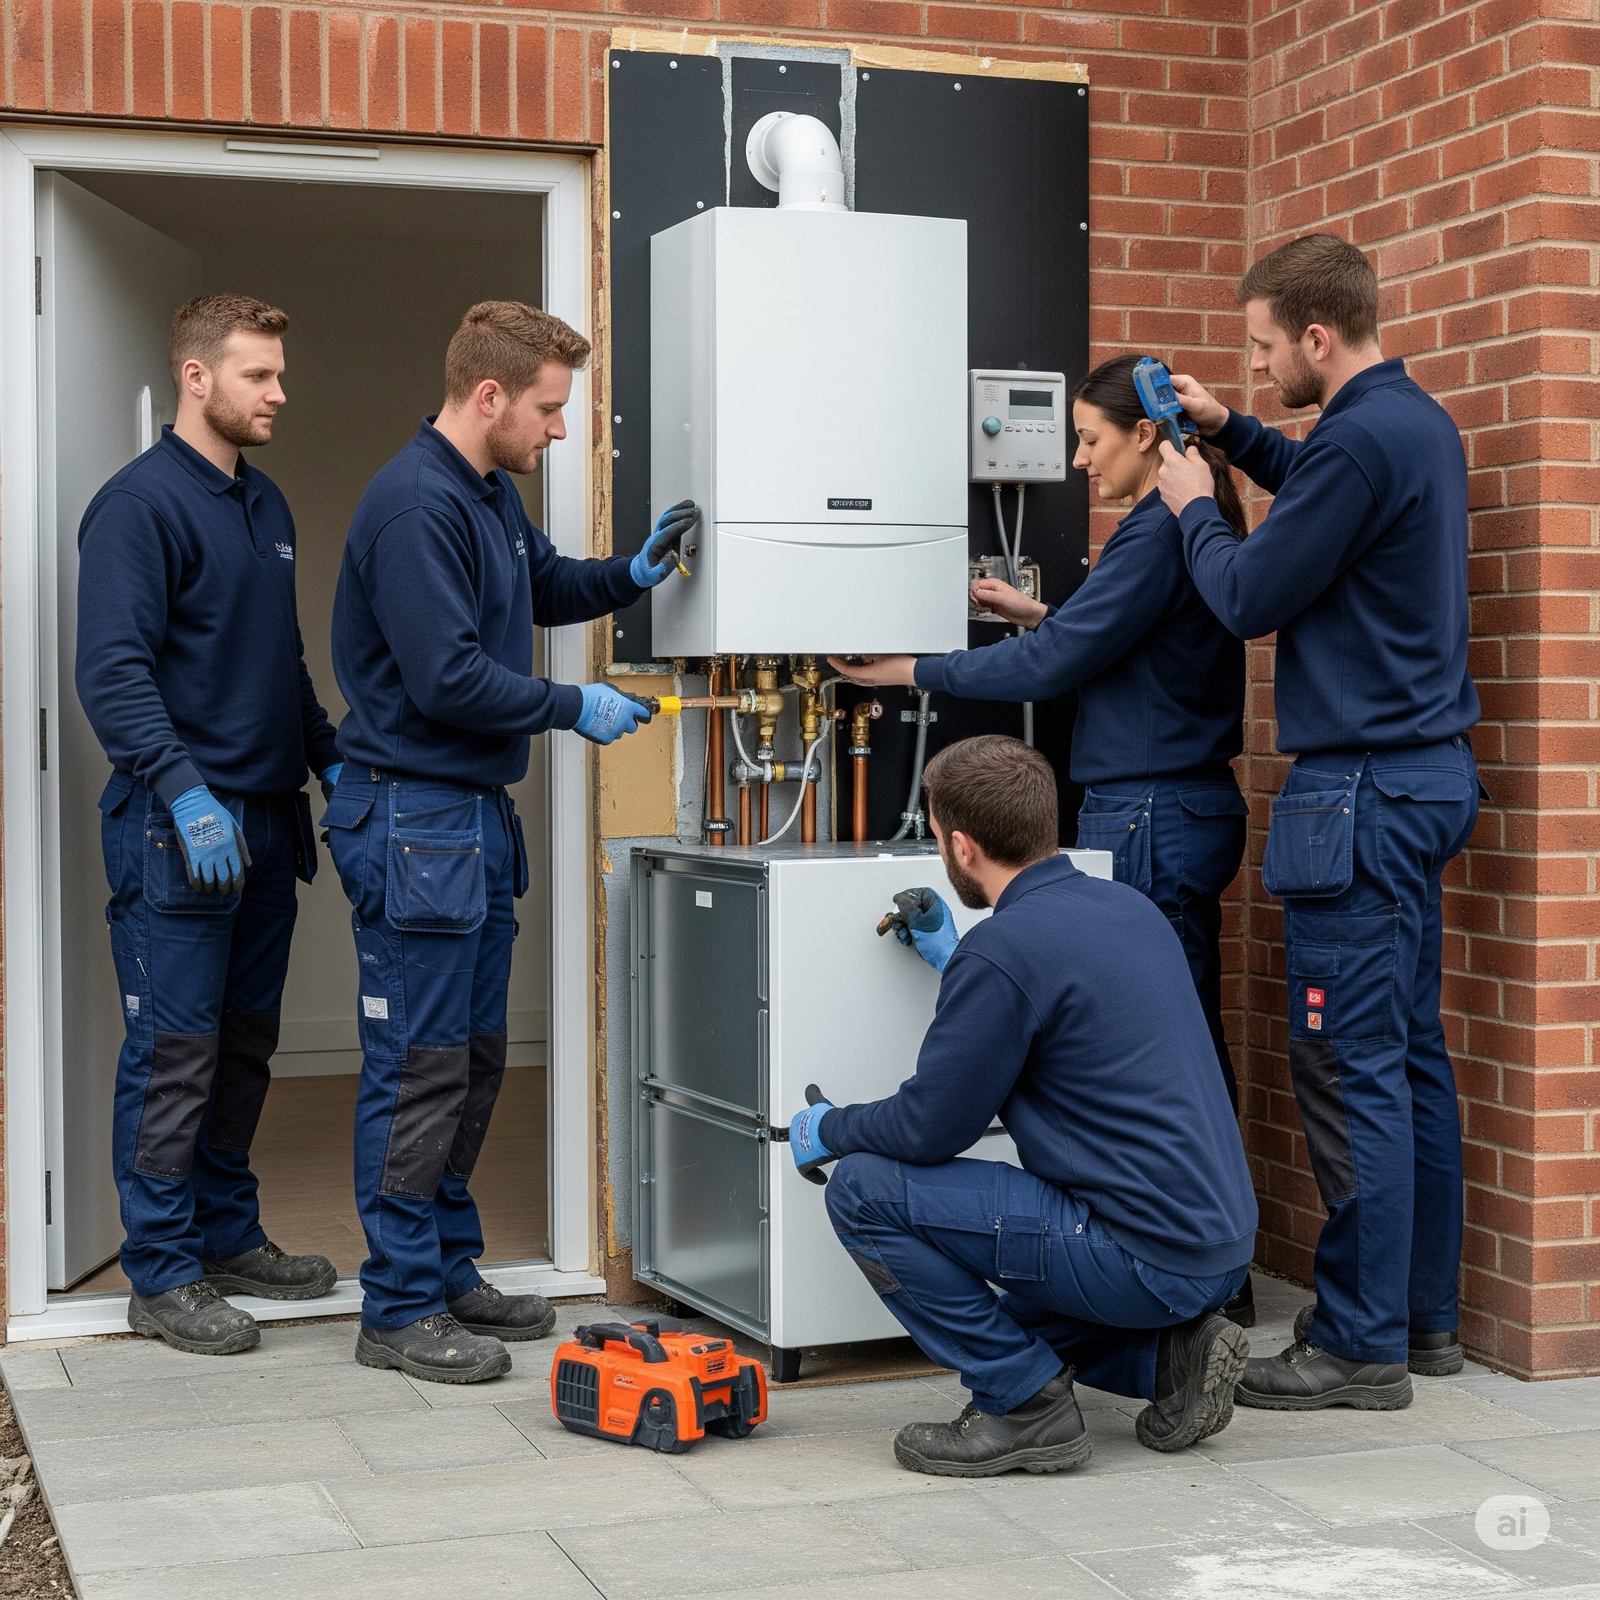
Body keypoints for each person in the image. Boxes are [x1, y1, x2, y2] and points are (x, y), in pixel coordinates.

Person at [326, 301, 693, 1384]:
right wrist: (570, 705)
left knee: (473, 1062)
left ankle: (444, 1268)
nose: (556, 431)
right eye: (546, 410)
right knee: (418, 1067)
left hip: (465, 821)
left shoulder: (485, 495)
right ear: (487, 396)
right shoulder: (412, 506)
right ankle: (394, 1307)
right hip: (413, 818)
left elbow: (542, 585)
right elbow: (445, 677)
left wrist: (634, 573)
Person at [1156, 233, 1480, 1411]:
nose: (1254, 363)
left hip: (1361, 794)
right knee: (1407, 1056)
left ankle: (1355, 1343)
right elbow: (1322, 493)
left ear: (1316, 337)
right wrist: (1235, 429)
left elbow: (1246, 595)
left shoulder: (1355, 440)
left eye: (1259, 348)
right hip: (1423, 777)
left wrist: (1195, 501)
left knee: (1349, 1066)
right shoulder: (1412, 425)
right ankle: (1422, 1320)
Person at [788, 735, 1258, 1476]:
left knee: (864, 1190)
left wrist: (829, 1128)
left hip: (1139, 1253)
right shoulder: (1128, 908)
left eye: (939, 837)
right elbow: (1057, 999)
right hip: (1214, 1246)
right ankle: (1169, 1360)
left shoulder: (1005, 952)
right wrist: (958, 959)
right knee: (1011, 1321)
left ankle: (1024, 1409)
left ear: (963, 847)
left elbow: (930, 1128)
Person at [829, 354, 1250, 1107]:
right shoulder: (1172, 526)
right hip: (1175, 809)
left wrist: (910, 671)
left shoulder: (1154, 532)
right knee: (1176, 1022)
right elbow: (1135, 651)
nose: (1080, 460)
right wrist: (1039, 617)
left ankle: (1195, 1213)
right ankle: (1201, 1207)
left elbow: (1049, 668)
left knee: (1161, 1033)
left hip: (1154, 814)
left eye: (1091, 440)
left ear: (1147, 434)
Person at [76, 293, 342, 1356]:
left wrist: (333, 767)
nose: (279, 392)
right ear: (196, 377)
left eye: (279, 373)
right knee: (174, 1051)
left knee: (241, 1047)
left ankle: (229, 1235)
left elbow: (283, 665)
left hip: (268, 823)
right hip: (179, 827)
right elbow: (113, 670)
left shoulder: (264, 503)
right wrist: (184, 791)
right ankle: (162, 1270)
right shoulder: (138, 506)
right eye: (258, 375)